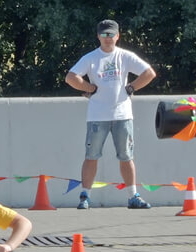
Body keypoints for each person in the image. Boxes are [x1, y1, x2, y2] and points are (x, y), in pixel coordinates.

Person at [64, 19, 157, 209]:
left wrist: (131, 87)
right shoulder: (90, 58)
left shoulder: (125, 56)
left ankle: (133, 196)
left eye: (111, 34)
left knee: (126, 156)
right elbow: (71, 77)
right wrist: (88, 87)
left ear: (118, 36)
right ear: (98, 36)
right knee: (91, 155)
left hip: (123, 114)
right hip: (97, 116)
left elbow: (149, 73)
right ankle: (85, 196)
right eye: (104, 34)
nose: (108, 38)